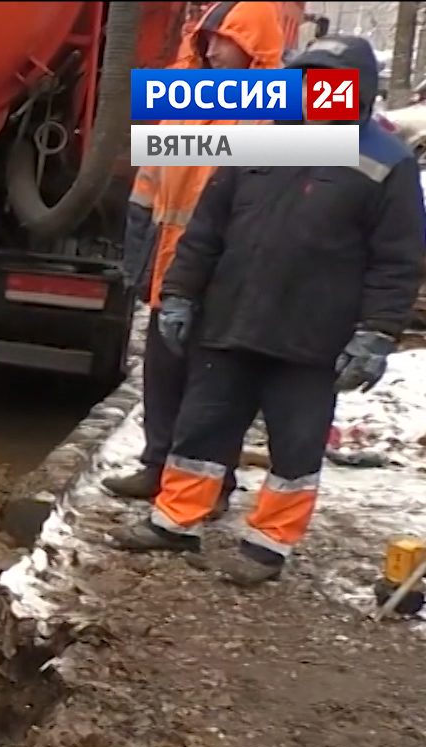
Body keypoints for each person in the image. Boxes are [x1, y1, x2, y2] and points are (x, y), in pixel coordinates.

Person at [110, 34, 425, 585]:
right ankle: (175, 522)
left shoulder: (385, 162)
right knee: (201, 429)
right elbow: (204, 232)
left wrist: (376, 333)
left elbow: (396, 261)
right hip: (231, 321)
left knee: (295, 446)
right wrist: (181, 294)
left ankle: (267, 545)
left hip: (313, 339)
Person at [106, 2, 285, 508]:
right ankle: (157, 467)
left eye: (223, 39)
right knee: (163, 378)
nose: (211, 47)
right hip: (171, 270)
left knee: (216, 392)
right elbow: (149, 187)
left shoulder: (273, 116)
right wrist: (139, 257)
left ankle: (212, 486)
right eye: (206, 38)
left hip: (227, 280)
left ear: (252, 47)